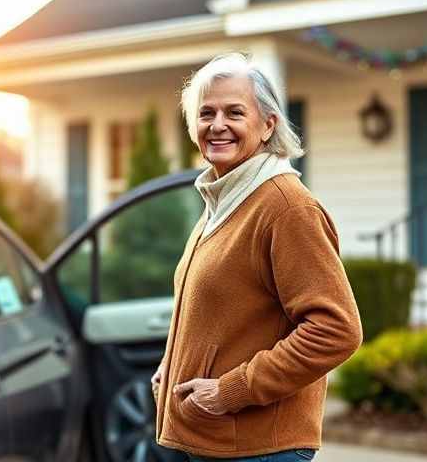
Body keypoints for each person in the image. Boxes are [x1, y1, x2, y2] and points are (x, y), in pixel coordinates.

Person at [150, 53, 362, 462]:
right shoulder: (224, 199)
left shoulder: (286, 207)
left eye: (234, 112)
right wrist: (171, 364)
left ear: (268, 125)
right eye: (206, 113)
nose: (217, 125)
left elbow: (336, 330)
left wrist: (230, 390)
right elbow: (224, 313)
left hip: (258, 449)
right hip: (212, 441)